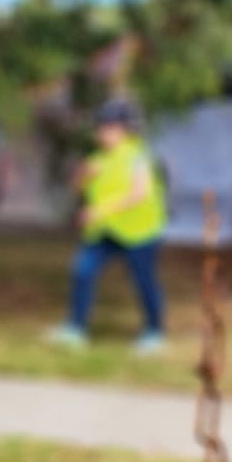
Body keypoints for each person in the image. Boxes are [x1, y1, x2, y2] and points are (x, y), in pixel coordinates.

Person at [47, 97, 167, 352]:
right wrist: (81, 175)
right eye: (99, 127)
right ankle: (75, 329)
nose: (101, 132)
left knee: (144, 281)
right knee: (83, 271)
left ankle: (154, 333)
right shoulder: (98, 158)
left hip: (139, 231)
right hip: (104, 232)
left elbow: (140, 193)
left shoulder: (138, 156)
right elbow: (77, 187)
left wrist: (100, 211)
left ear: (124, 129)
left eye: (107, 127)